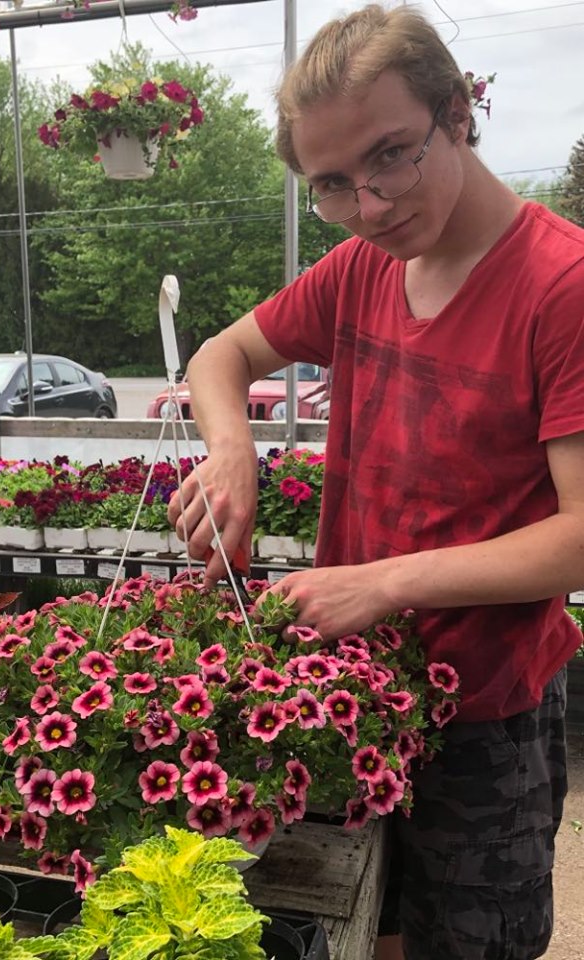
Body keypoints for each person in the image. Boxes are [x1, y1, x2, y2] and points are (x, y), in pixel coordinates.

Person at [167, 4, 584, 959]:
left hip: (484, 709)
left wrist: (387, 580)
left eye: (393, 155)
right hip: (345, 689)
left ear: (458, 113)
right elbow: (219, 355)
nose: (372, 204)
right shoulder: (357, 271)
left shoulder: (560, 288)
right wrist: (233, 454)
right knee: (354, 921)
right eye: (334, 186)